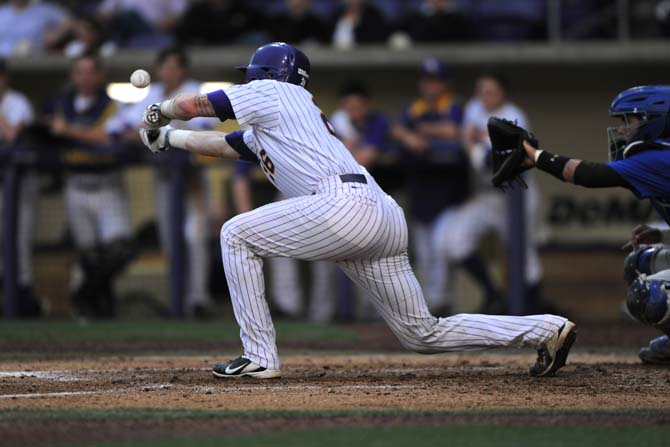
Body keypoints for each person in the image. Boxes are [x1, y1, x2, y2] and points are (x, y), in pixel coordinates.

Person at [139, 42, 576, 379]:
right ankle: (547, 328)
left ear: (266, 74)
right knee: (422, 333)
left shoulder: (273, 92)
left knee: (235, 234)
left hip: (343, 205)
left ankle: (258, 357)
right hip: (379, 214)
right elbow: (221, 144)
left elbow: (198, 106)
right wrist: (170, 139)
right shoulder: (281, 122)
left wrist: (160, 110)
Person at [516, 85, 670, 364]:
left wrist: (536, 156)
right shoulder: (660, 156)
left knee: (648, 295)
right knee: (640, 263)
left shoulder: (657, 158)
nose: (624, 130)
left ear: (654, 121)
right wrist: (661, 233)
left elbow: (587, 175)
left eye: (630, 121)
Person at [106, 46, 218, 318]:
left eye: (174, 66)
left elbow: (203, 128)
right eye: (165, 66)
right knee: (170, 240)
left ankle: (198, 300)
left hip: (192, 179)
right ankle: (178, 299)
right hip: (165, 178)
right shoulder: (153, 94)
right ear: (158, 69)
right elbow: (118, 128)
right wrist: (142, 132)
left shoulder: (195, 91)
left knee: (194, 238)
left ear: (183, 69)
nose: (169, 71)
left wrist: (152, 132)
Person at [433, 74, 543, 313]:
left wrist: (476, 141)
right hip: (486, 195)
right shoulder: (473, 108)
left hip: (516, 195)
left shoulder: (515, 116)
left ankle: (532, 311)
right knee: (455, 240)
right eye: (481, 90)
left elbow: (492, 157)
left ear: (503, 93)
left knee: (524, 256)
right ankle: (493, 294)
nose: (484, 96)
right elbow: (468, 141)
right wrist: (475, 141)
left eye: (490, 91)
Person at [392, 59, 494, 315]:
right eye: (426, 80)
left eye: (436, 81)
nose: (430, 86)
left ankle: (440, 305)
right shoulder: (414, 107)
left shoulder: (456, 107)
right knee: (425, 256)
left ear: (446, 83)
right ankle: (428, 309)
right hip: (422, 190)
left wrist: (423, 132)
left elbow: (456, 134)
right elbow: (398, 130)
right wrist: (409, 136)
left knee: (440, 251)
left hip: (451, 193)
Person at [47, 53, 133, 318]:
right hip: (76, 185)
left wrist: (70, 132)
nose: (85, 77)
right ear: (72, 76)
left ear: (100, 75)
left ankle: (84, 294)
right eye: (79, 72)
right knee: (88, 255)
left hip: (107, 183)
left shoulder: (112, 106)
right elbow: (45, 133)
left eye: (90, 71)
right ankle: (100, 309)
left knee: (119, 249)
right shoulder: (61, 104)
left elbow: (110, 139)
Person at [0, 59, 42, 317]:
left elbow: (11, 136)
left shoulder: (18, 102)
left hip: (18, 186)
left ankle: (24, 304)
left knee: (19, 243)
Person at [0, 0, 68, 55]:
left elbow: (70, 22)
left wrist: (55, 34)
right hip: (3, 61)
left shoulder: (44, 10)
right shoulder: (2, 12)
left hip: (32, 61)